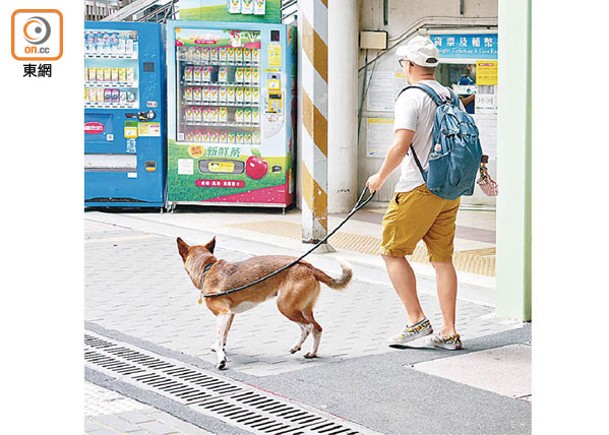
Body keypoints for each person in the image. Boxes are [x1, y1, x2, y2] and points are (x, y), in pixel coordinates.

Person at [365, 36, 463, 351]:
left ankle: (416, 320)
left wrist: (380, 176)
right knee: (442, 260)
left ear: (409, 65)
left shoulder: (411, 97)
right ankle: (449, 330)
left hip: (417, 188)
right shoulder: (451, 96)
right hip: (448, 188)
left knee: (392, 251)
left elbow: (401, 143)